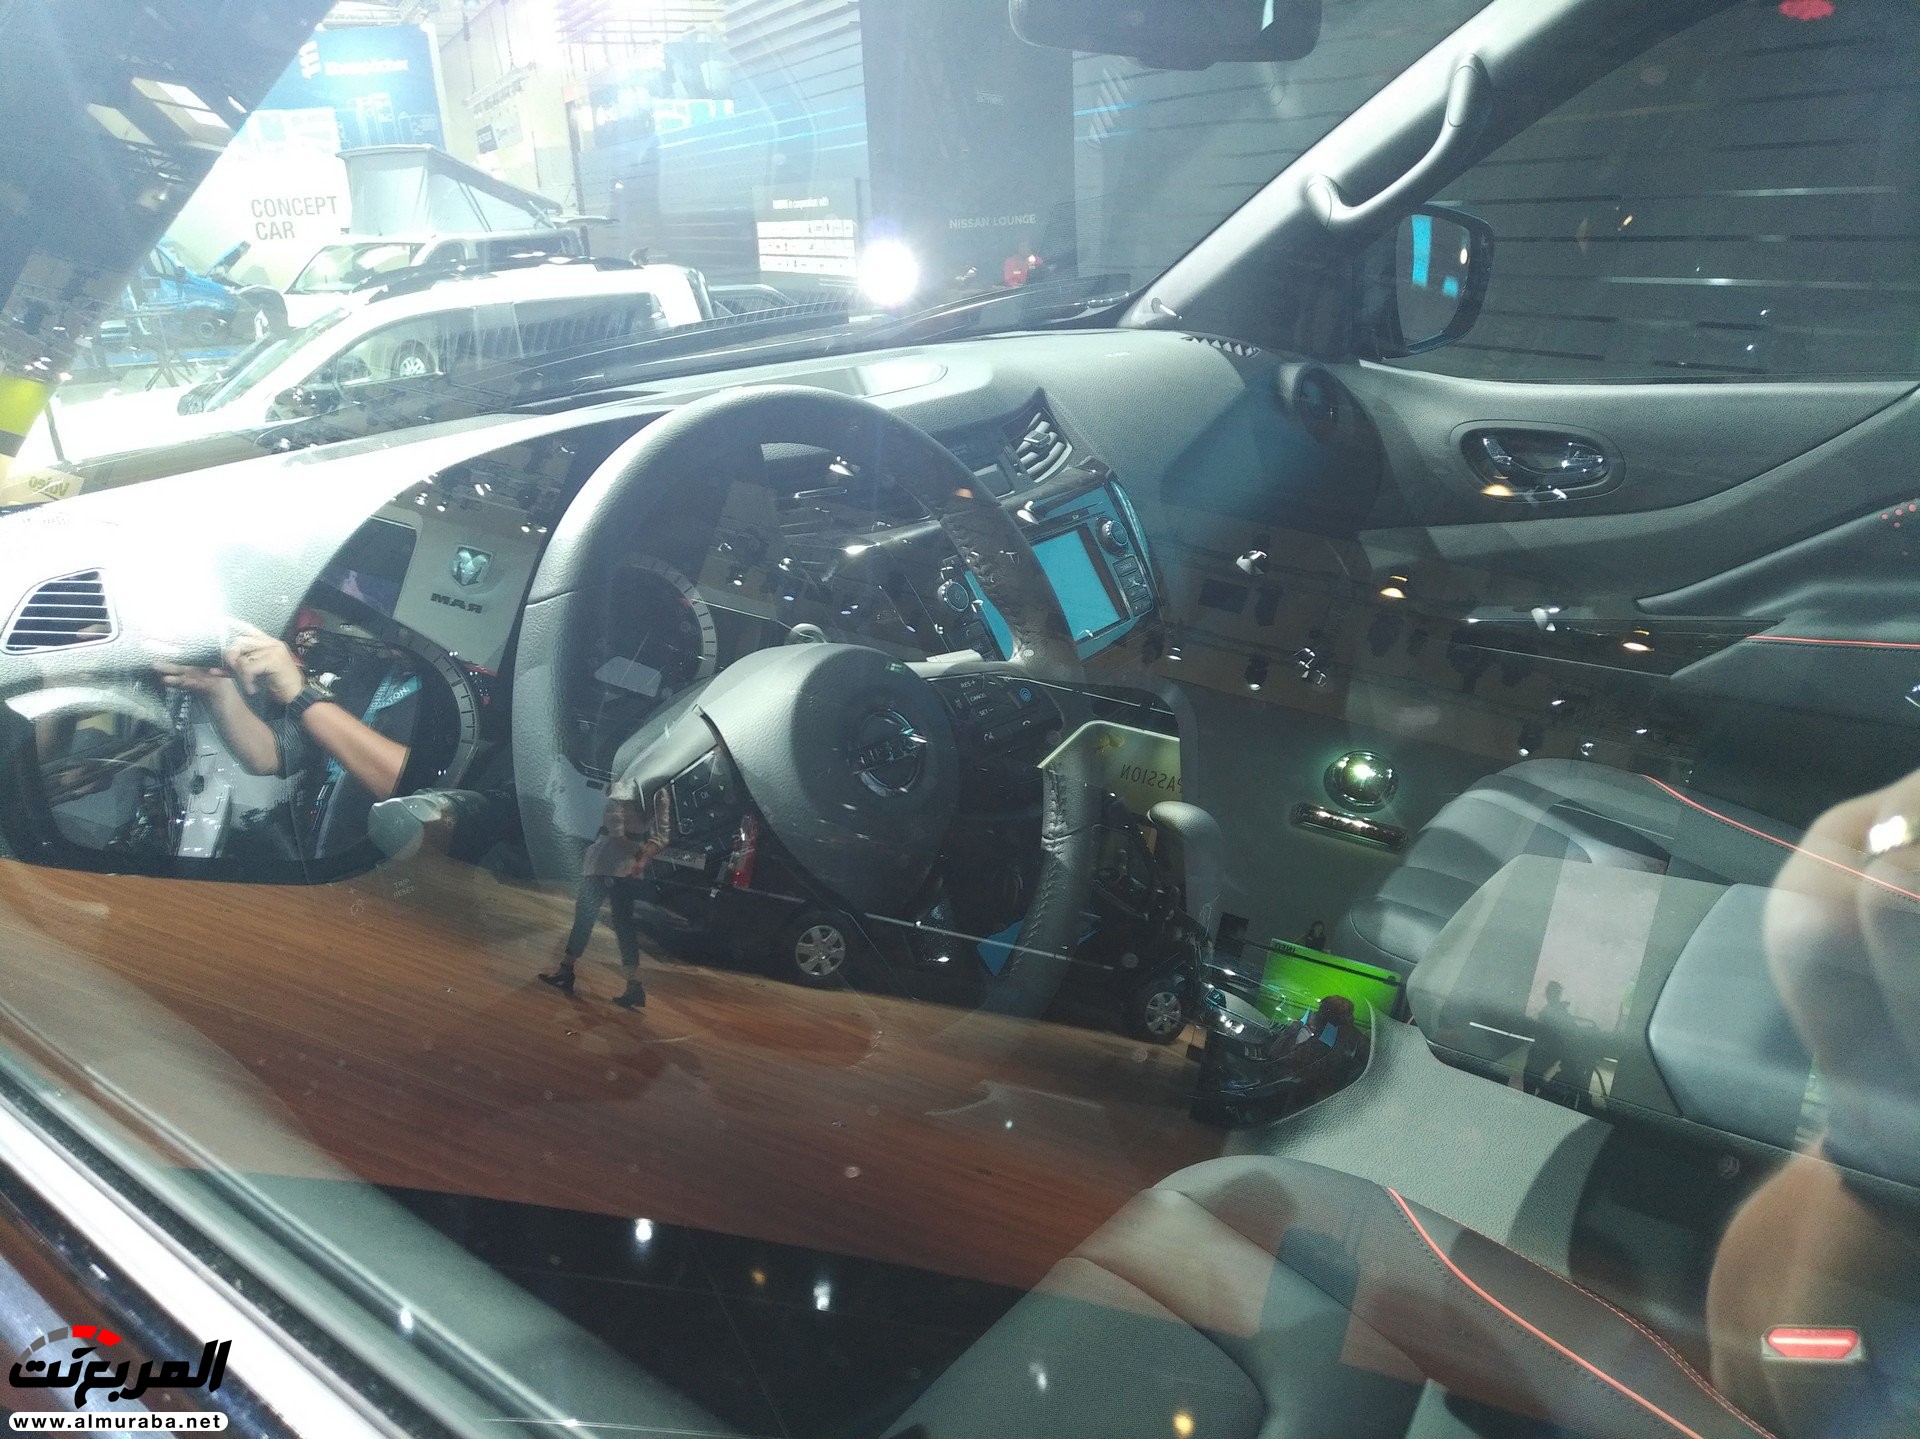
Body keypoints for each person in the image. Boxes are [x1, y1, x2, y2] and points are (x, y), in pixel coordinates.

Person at [155, 614, 418, 856]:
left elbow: (414, 790)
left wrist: (301, 695)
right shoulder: (373, 675)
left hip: (377, 881)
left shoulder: (439, 702)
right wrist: (214, 685)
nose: (399, 630)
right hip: (319, 869)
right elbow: (270, 754)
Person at [540, 783, 675, 1009]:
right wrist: (642, 859)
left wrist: (636, 853)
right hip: (630, 868)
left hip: (604, 861)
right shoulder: (661, 793)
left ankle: (566, 970)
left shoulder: (626, 785)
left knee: (585, 916)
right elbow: (662, 836)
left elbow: (614, 828)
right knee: (624, 925)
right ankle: (633, 984)